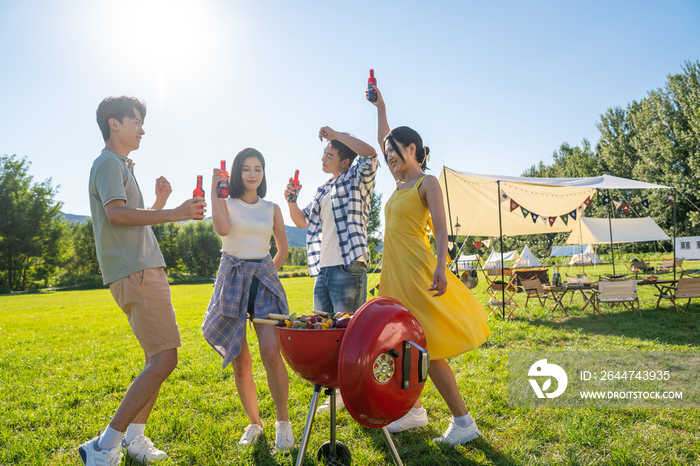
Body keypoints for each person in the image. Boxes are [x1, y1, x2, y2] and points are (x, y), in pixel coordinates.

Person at [80, 96, 207, 465]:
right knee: (165, 359)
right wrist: (176, 211)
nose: (142, 128)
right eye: (136, 121)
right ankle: (104, 447)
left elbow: (129, 223)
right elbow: (116, 216)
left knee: (159, 356)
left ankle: (135, 439)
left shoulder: (121, 166)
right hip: (136, 272)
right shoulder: (107, 163)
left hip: (143, 267)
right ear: (113, 124)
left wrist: (157, 201)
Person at [367, 85, 492, 446]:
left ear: (412, 149)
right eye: (387, 152)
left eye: (395, 151)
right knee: (402, 345)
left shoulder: (426, 182)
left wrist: (442, 265)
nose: (389, 155)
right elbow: (381, 138)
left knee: (428, 348)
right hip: (395, 276)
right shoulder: (398, 184)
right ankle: (414, 411)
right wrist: (381, 107)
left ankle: (463, 421)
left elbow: (441, 228)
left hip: (421, 274)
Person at [202, 148, 294, 453]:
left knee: (270, 352)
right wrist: (215, 194)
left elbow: (283, 248)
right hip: (231, 279)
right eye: (247, 169)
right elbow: (222, 229)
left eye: (258, 169)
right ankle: (255, 423)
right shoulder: (226, 203)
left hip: (263, 284)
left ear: (263, 173)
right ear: (237, 173)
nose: (253, 174)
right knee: (241, 360)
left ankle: (283, 423)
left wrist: (266, 273)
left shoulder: (272, 208)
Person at [285, 126, 378, 413]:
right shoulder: (323, 189)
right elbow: (302, 221)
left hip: (347, 266)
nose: (323, 157)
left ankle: (355, 392)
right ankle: (336, 392)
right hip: (323, 270)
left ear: (345, 163)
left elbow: (371, 154)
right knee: (325, 332)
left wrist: (336, 133)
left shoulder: (356, 180)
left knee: (349, 334)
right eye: (323, 152)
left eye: (330, 153)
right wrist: (291, 201)